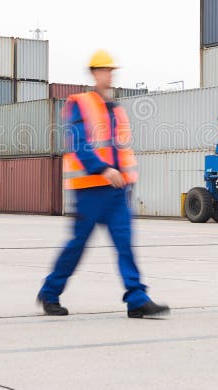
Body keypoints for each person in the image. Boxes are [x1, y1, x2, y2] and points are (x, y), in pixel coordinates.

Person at [37, 50, 170, 319]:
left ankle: (137, 299)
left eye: (112, 70)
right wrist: (103, 169)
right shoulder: (78, 103)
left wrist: (124, 181)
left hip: (116, 191)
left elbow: (120, 149)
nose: (110, 75)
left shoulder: (116, 109)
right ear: (94, 73)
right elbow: (78, 143)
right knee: (77, 246)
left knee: (125, 244)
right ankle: (50, 293)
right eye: (105, 70)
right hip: (89, 191)